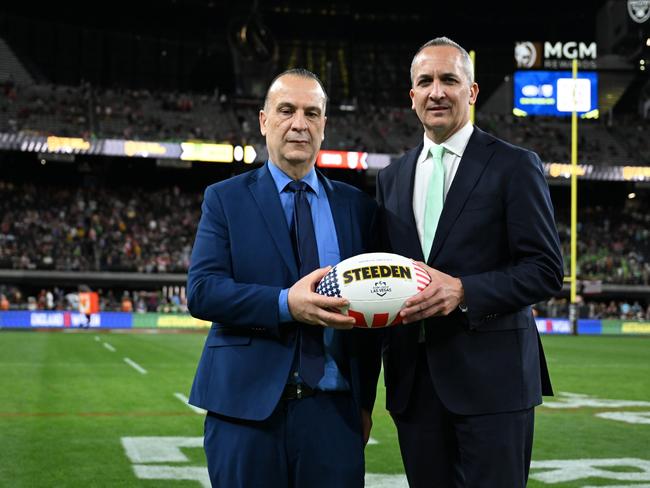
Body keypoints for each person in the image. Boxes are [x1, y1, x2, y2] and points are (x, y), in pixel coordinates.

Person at [361, 37, 564, 487]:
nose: (437, 91)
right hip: (414, 389)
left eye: (449, 80)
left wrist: (465, 291)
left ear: (471, 92)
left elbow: (547, 269)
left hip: (494, 385)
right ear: (411, 95)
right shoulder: (392, 178)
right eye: (425, 81)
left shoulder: (514, 165)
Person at [187, 68, 376, 488]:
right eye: (286, 110)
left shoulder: (357, 207)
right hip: (244, 413)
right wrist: (285, 304)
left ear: (324, 125)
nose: (299, 123)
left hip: (333, 412)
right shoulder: (225, 199)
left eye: (312, 113)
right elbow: (202, 292)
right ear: (264, 120)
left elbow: (372, 317)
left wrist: (365, 404)